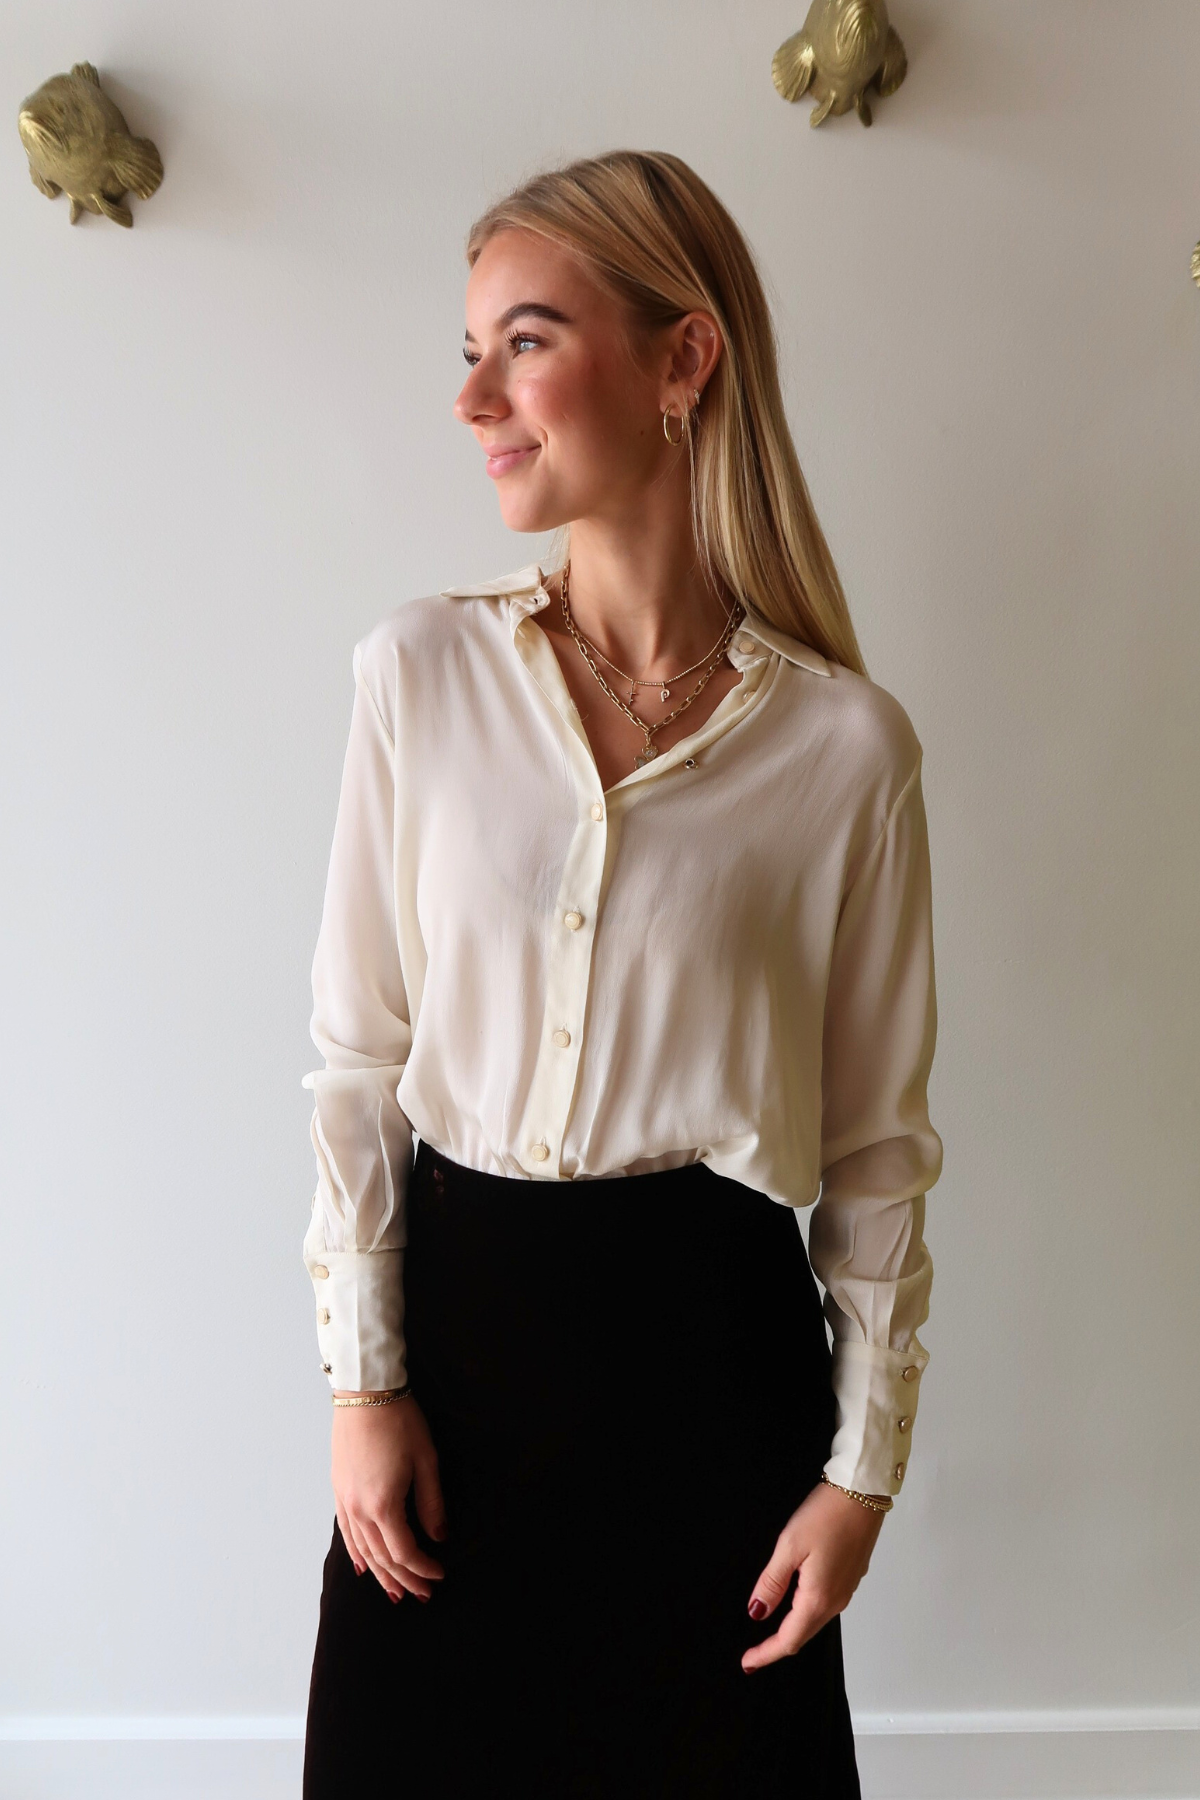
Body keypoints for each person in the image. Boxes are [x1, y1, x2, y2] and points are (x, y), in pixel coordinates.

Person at [299, 149, 942, 1799]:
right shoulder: (419, 673)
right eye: (467, 350)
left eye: (523, 339)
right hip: (463, 1370)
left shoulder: (845, 750)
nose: (475, 397)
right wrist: (363, 1383)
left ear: (682, 359)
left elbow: (875, 1151)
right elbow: (357, 1064)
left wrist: (861, 1472)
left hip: (712, 1389)